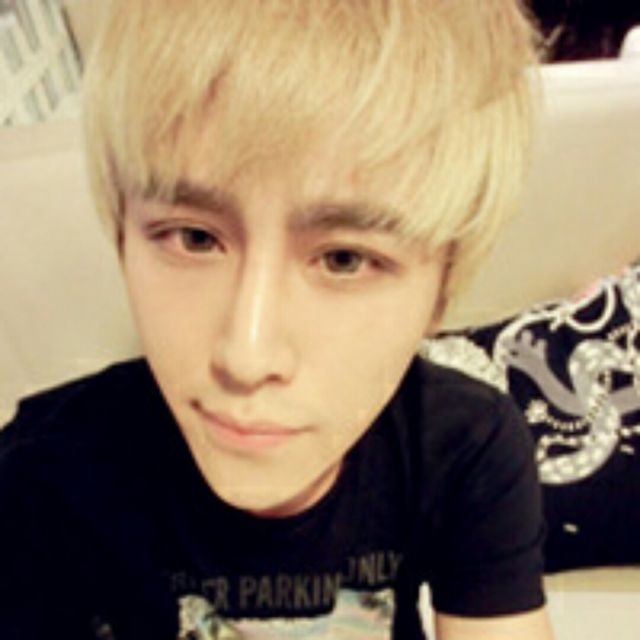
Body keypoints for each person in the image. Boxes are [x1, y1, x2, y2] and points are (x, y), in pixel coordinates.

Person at [0, 1, 554, 638]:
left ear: (441, 291)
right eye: (194, 238)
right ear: (123, 235)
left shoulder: (467, 446)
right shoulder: (45, 474)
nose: (246, 356)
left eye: (345, 259)